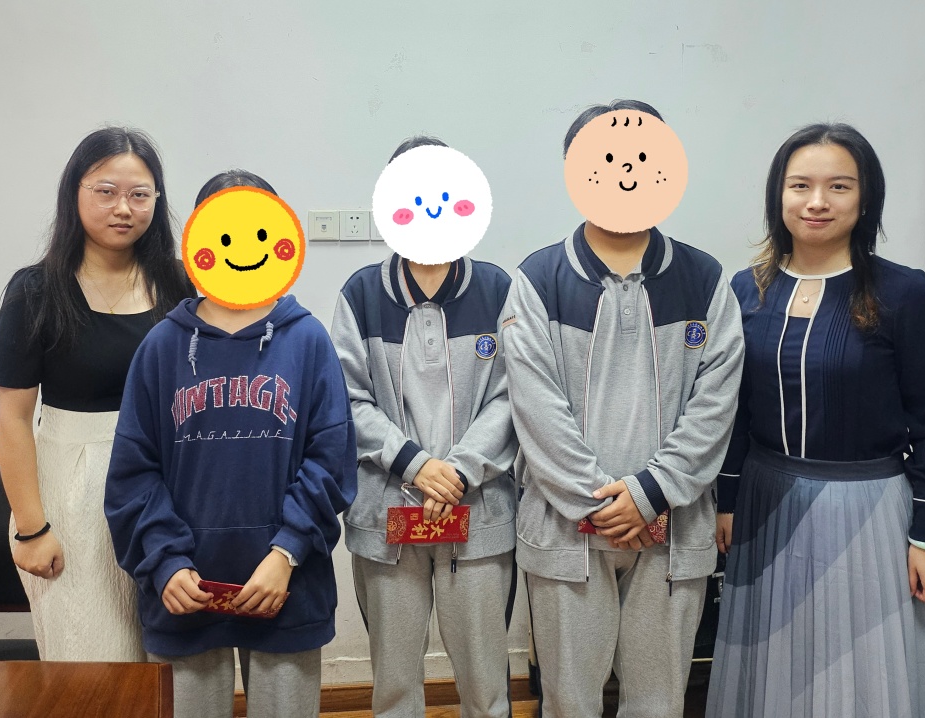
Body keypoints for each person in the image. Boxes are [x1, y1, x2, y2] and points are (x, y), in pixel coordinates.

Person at [707, 123, 925, 717]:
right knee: (773, 668)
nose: (817, 201)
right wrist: (728, 499)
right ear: (779, 195)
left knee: (861, 673)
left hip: (868, 510)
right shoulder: (746, 290)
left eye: (839, 186)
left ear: (865, 197)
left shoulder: (903, 294)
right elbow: (733, 410)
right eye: (801, 185)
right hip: (765, 503)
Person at [501, 100, 745, 718]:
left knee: (659, 701)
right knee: (569, 700)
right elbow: (536, 409)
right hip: (565, 529)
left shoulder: (705, 279)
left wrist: (651, 492)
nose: (624, 172)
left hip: (674, 528)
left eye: (641, 157)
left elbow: (716, 403)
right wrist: (606, 502)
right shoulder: (537, 279)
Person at [104, 170, 357, 718]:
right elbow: (133, 473)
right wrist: (166, 561)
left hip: (286, 585)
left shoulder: (308, 340)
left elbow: (330, 460)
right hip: (185, 591)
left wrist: (287, 552)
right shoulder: (161, 347)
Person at [0, 126, 193, 661]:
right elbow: (13, 419)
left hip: (170, 489)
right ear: (74, 193)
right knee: (92, 665)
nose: (123, 208)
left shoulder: (182, 285)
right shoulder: (35, 291)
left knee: (175, 668)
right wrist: (31, 528)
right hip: (72, 494)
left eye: (139, 194)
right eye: (106, 191)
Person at [331, 136, 518, 717]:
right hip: (386, 515)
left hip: (478, 511)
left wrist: (456, 471)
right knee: (393, 683)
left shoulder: (499, 289)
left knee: (486, 684)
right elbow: (346, 400)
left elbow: (515, 397)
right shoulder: (360, 294)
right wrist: (416, 464)